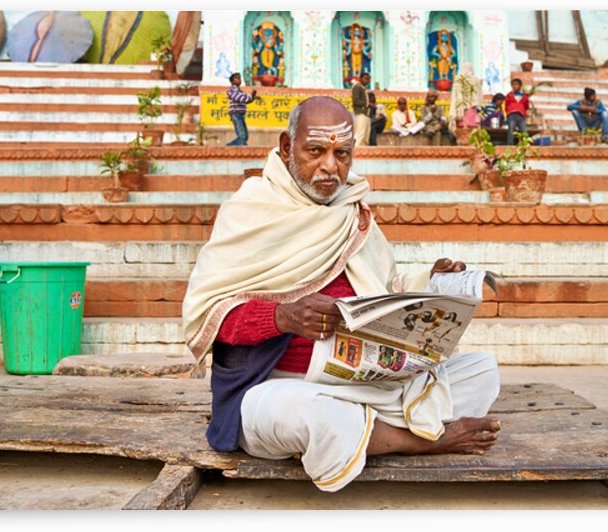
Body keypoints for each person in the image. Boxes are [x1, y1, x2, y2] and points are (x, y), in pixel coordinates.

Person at [182, 96, 501, 493]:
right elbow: (208, 316)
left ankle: (366, 432)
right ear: (286, 146)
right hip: (280, 389)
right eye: (315, 151)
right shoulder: (248, 211)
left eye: (342, 153)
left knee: (483, 371)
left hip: (372, 383)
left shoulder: (353, 212)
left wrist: (432, 281)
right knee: (315, 415)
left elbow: (385, 291)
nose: (330, 166)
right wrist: (282, 316)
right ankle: (417, 440)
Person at [226, 72, 260, 146]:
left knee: (245, 136)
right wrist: (251, 97)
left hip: (240, 114)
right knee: (242, 136)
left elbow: (246, 100)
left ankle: (231, 146)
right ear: (232, 81)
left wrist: (252, 98)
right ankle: (229, 147)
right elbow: (240, 98)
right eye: (236, 78)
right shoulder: (233, 89)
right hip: (236, 113)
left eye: (239, 78)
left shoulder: (239, 91)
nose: (239, 79)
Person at [447, 62, 482, 132]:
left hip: (460, 109)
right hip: (471, 107)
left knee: (461, 128)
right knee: (471, 128)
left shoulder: (458, 78)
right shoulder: (475, 79)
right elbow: (479, 94)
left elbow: (455, 95)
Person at [504, 78, 529, 145]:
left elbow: (526, 106)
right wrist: (509, 112)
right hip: (512, 115)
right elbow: (506, 105)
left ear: (520, 86)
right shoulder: (509, 95)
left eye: (516, 84)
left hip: (521, 115)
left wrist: (521, 110)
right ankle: (510, 145)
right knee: (511, 130)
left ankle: (525, 144)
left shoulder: (524, 96)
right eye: (513, 84)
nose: (514, 86)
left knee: (524, 131)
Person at [351, 72, 371, 146]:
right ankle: (354, 151)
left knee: (366, 136)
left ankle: (363, 153)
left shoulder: (362, 88)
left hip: (366, 114)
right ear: (360, 78)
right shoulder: (357, 87)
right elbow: (356, 101)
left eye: (369, 79)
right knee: (360, 134)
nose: (368, 80)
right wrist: (367, 104)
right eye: (366, 78)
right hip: (360, 113)